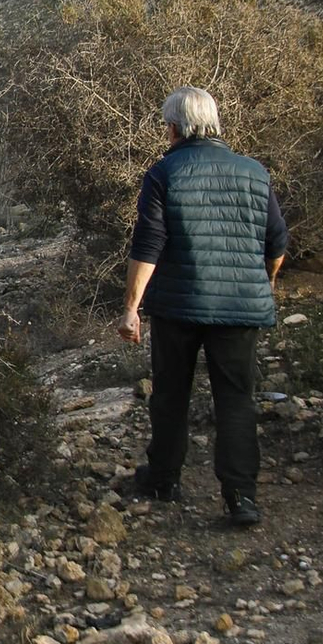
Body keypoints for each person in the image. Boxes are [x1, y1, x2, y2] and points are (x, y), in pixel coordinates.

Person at [117, 85, 287, 528]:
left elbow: (149, 245)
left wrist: (131, 307)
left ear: (173, 127)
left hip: (178, 306)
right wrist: (263, 282)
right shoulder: (254, 172)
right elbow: (276, 243)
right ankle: (241, 498)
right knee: (236, 400)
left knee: (171, 394)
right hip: (238, 305)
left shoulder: (164, 173)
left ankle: (163, 479)